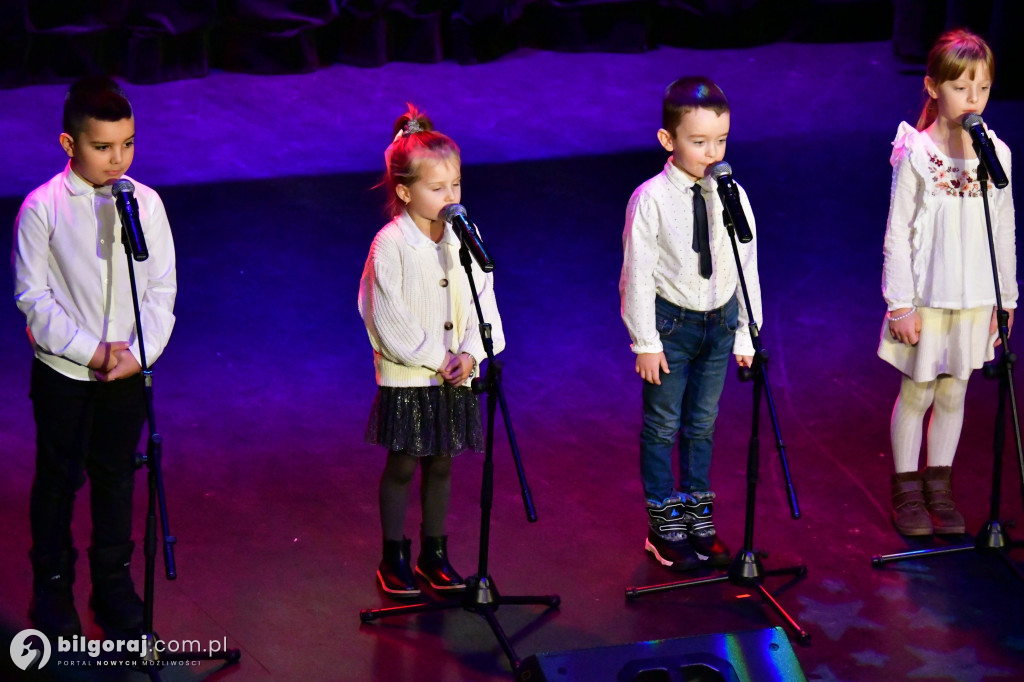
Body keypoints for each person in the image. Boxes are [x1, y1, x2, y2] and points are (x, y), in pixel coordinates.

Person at [12, 76, 177, 636]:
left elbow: (161, 291)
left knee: (116, 477)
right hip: (65, 373)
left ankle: (113, 585)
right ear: (69, 144)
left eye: (127, 144)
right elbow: (34, 298)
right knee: (58, 478)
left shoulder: (146, 204)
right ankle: (52, 588)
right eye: (103, 147)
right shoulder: (43, 208)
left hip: (127, 373)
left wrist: (138, 354)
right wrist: (89, 351)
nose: (118, 158)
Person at [358, 105, 503, 598]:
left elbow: (484, 298)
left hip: (454, 373)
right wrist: (436, 358)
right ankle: (392, 554)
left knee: (442, 461)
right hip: (411, 376)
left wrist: (471, 353)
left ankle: (434, 553)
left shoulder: (465, 234)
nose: (450, 197)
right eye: (437, 188)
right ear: (405, 191)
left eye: (456, 185)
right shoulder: (391, 244)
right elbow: (385, 317)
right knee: (404, 462)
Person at [620, 76, 761, 571]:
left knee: (702, 423)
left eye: (720, 140)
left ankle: (699, 514)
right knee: (663, 424)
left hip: (719, 323)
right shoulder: (651, 199)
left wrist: (747, 330)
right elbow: (636, 275)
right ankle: (664, 522)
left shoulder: (731, 192)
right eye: (699, 142)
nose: (712, 152)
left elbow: (747, 263)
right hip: (672, 325)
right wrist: (645, 341)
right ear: (669, 141)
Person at [879, 28, 1016, 536]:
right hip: (926, 296)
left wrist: (1006, 301)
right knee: (918, 391)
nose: (973, 98)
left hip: (976, 295)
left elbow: (1003, 228)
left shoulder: (995, 152)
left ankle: (940, 487)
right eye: (962, 88)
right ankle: (907, 491)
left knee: (955, 394)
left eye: (982, 88)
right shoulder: (916, 151)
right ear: (934, 87)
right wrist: (900, 304)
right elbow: (897, 231)